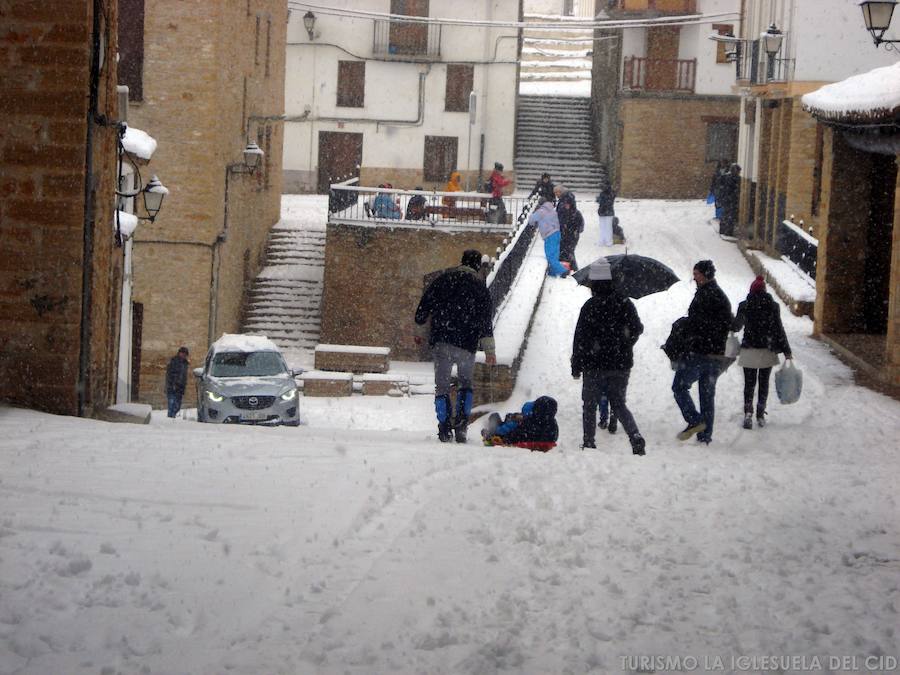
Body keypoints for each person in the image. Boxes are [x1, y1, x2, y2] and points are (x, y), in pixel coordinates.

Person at [415, 250, 497, 443]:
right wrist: (490, 351)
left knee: (442, 386)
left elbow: (422, 308)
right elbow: (486, 322)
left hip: (442, 340)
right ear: (477, 265)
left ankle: (444, 427)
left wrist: (419, 330)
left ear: (461, 262)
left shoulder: (443, 280)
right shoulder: (480, 288)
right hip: (467, 344)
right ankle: (461, 424)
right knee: (465, 384)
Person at [572, 260, 646, 455]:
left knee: (590, 405)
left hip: (593, 363)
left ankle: (589, 442)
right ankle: (635, 435)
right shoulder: (624, 302)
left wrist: (576, 364)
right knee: (619, 403)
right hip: (620, 364)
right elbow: (638, 328)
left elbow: (580, 337)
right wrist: (625, 343)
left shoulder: (589, 306)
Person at [672, 260, 733, 444]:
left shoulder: (706, 295)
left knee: (679, 386)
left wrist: (685, 325)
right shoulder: (719, 295)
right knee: (707, 394)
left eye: (697, 274)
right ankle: (705, 435)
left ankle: (696, 421)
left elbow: (699, 323)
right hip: (716, 353)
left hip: (701, 352)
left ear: (705, 274)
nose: (694, 277)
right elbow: (728, 322)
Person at [732, 275, 793, 429]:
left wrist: (729, 323)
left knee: (749, 383)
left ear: (751, 290)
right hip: (767, 349)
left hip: (749, 349)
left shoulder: (744, 305)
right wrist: (786, 350)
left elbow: (736, 326)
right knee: (763, 383)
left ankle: (748, 412)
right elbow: (779, 329)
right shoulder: (773, 306)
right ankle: (760, 413)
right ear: (765, 291)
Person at [481, 396, 559, 447]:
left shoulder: (530, 422)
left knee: (495, 417)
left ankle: (490, 432)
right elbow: (553, 438)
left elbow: (514, 435)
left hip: (507, 433)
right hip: (523, 433)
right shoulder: (552, 423)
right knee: (509, 417)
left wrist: (502, 439)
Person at [528, 197, 569, 278]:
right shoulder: (552, 210)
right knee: (555, 255)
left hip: (549, 235)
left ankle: (563, 271)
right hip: (557, 233)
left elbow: (531, 220)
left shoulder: (541, 211)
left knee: (550, 255)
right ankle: (552, 272)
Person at [555, 185, 582, 271]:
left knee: (567, 250)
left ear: (561, 192)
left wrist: (564, 226)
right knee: (567, 250)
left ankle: (569, 268)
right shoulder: (565, 200)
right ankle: (568, 268)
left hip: (569, 231)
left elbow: (565, 216)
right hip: (568, 230)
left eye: (557, 192)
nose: (556, 194)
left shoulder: (566, 201)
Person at [165, 346, 190, 419]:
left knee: (177, 405)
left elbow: (184, 376)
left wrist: (183, 385)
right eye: (182, 353)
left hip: (180, 387)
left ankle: (172, 415)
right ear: (179, 353)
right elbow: (170, 374)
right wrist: (172, 383)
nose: (183, 355)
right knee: (171, 403)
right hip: (172, 386)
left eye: (185, 354)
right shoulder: (174, 361)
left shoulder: (185, 363)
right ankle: (170, 417)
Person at [717, 164, 741, 237]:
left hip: (725, 199)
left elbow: (721, 188)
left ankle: (722, 230)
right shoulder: (736, 178)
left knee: (725, 214)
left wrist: (721, 198)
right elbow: (735, 190)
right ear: (736, 171)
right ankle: (728, 231)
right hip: (731, 200)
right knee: (730, 216)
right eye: (739, 171)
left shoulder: (725, 177)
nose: (739, 173)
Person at [595, 172, 616, 247]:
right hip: (602, 211)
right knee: (602, 227)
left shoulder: (611, 193)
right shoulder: (603, 193)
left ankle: (608, 241)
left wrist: (600, 200)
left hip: (608, 212)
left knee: (608, 228)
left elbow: (607, 201)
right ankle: (602, 240)